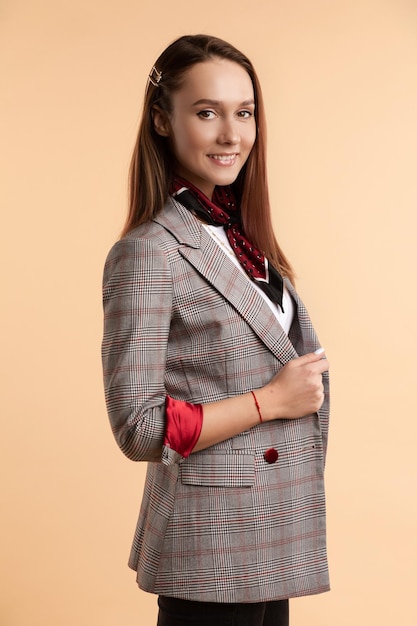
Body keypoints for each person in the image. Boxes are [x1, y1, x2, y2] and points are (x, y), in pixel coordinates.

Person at [102, 34, 330, 626]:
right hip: (211, 547)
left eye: (244, 113)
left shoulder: (240, 240)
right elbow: (139, 428)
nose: (232, 135)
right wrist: (270, 401)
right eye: (207, 113)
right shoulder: (148, 252)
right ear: (161, 120)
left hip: (271, 531)